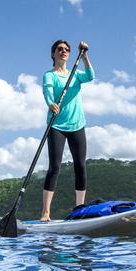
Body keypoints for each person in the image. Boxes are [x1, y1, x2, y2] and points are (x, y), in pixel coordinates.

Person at [41, 40, 94, 221]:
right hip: (56, 125)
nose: (63, 51)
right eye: (60, 49)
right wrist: (51, 103)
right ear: (53, 54)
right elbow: (47, 92)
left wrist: (85, 56)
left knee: (80, 165)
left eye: (66, 50)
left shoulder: (76, 74)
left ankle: (80, 208)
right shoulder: (49, 75)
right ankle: (46, 213)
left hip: (77, 124)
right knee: (54, 167)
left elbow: (91, 75)